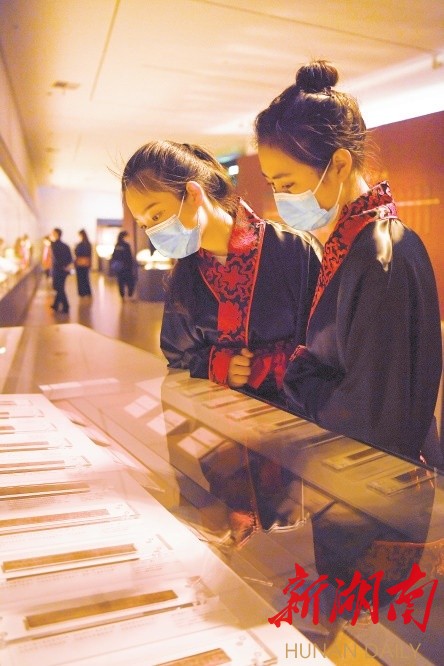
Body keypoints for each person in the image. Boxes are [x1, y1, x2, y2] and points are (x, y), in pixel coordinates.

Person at [254, 59, 442, 463]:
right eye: (274, 186)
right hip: (351, 461)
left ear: (339, 164)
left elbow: (373, 416)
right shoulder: (351, 242)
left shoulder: (382, 253)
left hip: (378, 472)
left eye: (288, 184)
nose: (281, 199)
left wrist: (300, 376)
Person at [121, 140, 322, 404]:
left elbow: (328, 341)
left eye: (156, 216)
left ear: (193, 194)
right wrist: (220, 365)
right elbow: (178, 355)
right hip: (223, 412)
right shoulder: (185, 277)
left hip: (297, 408)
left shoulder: (294, 248)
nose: (153, 232)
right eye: (144, 225)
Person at [50, 227, 73, 314]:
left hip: (58, 270)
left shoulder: (54, 246)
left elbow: (56, 260)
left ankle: (66, 306)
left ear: (56, 234)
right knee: (60, 287)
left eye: (53, 233)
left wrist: (61, 266)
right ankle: (56, 305)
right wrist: (65, 266)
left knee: (59, 288)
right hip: (64, 270)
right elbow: (70, 258)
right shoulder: (65, 246)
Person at [110, 230, 137, 300]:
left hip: (119, 267)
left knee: (120, 282)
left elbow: (114, 256)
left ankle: (122, 296)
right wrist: (131, 266)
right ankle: (130, 295)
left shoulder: (117, 245)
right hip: (126, 267)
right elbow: (129, 257)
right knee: (130, 281)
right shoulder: (126, 245)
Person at [74, 229, 92, 297]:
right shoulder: (88, 244)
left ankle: (82, 292)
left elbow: (77, 252)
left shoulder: (81, 244)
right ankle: (87, 292)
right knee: (85, 278)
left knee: (81, 278)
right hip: (86, 263)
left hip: (80, 263)